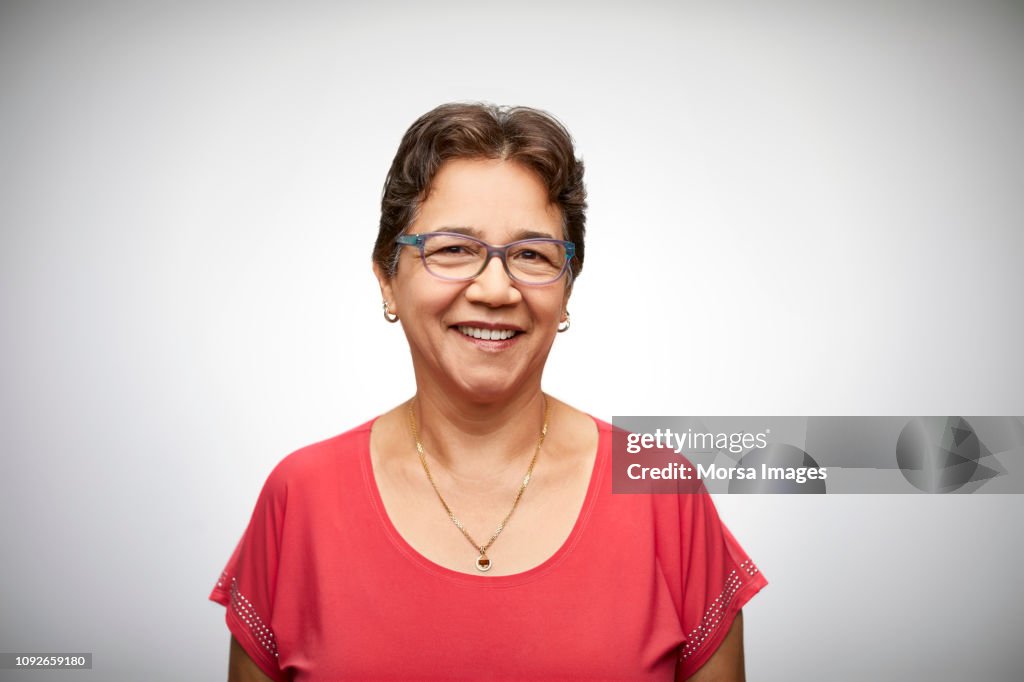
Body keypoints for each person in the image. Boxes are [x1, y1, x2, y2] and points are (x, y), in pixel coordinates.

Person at [209, 102, 767, 681]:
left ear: (567, 291)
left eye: (531, 255)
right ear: (387, 279)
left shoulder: (663, 495)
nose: (496, 290)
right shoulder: (300, 497)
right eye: (453, 248)